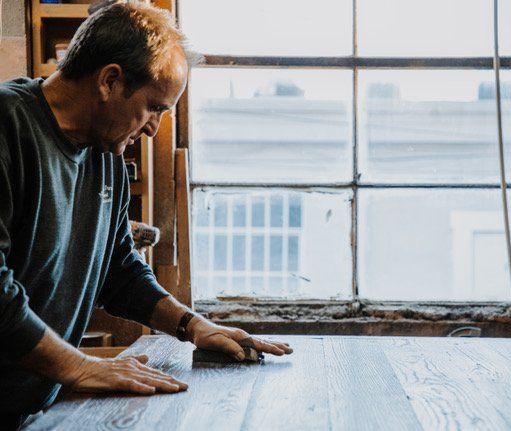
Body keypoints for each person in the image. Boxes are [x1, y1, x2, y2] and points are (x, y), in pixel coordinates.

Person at [0, 2, 293, 428]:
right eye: (154, 107)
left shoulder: (107, 158)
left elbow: (119, 271)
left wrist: (193, 326)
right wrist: (80, 366)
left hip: (28, 410)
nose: (155, 127)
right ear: (110, 80)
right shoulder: (9, 125)